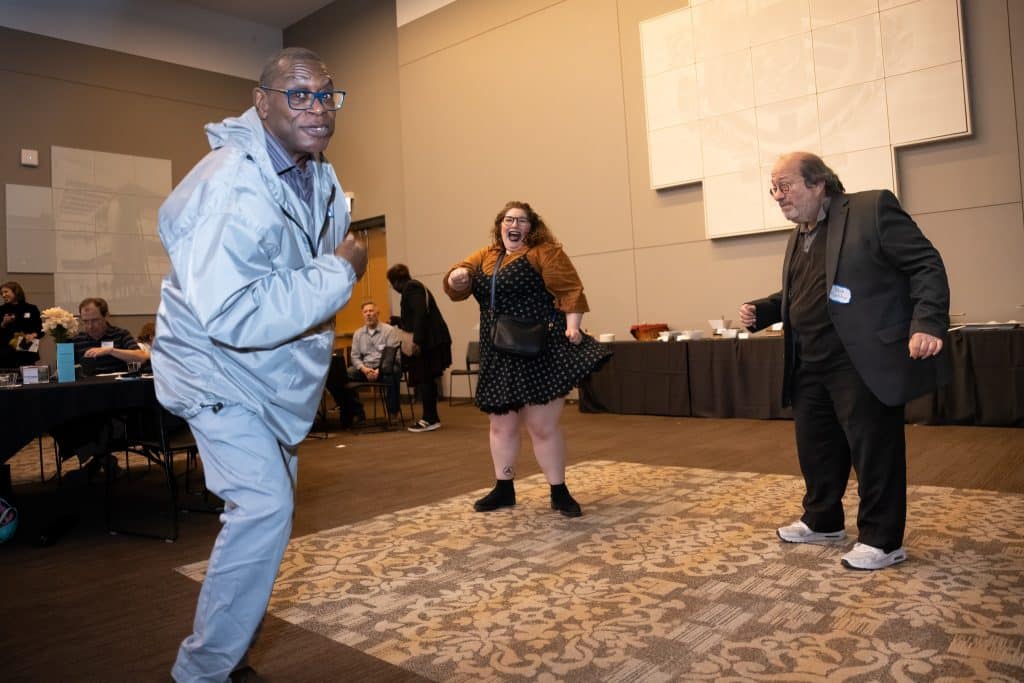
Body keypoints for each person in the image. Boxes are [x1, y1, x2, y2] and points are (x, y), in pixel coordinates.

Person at [150, 47, 367, 682]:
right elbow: (235, 314)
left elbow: (290, 275)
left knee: (265, 524)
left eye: (327, 94)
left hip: (274, 381)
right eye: (298, 94)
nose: (318, 108)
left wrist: (327, 271)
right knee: (264, 510)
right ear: (261, 101)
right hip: (215, 373)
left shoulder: (317, 173)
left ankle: (229, 651)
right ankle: (203, 672)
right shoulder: (225, 184)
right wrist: (341, 271)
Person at [739, 151, 950, 571]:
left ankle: (882, 539)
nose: (778, 196)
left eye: (785, 186)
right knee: (816, 448)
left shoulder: (871, 209)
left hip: (862, 359)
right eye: (773, 189)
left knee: (874, 450)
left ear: (818, 184)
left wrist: (927, 321)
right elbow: (805, 294)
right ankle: (823, 520)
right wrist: (765, 310)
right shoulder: (800, 234)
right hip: (811, 361)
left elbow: (925, 264)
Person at [444, 201, 610, 517]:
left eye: (521, 220)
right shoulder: (486, 254)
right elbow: (457, 278)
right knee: (501, 425)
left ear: (531, 228)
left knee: (541, 426)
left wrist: (573, 326)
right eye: (509, 219)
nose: (514, 224)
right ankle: (504, 488)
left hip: (540, 348)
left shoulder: (545, 252)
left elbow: (571, 290)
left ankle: (559, 491)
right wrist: (457, 278)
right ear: (500, 225)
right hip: (498, 351)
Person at [386, 263, 452, 432]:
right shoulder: (415, 287)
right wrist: (398, 320)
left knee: (425, 378)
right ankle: (431, 417)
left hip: (429, 342)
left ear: (395, 282)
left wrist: (417, 341)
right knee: (427, 378)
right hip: (432, 340)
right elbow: (416, 316)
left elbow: (420, 315)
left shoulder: (411, 288)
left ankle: (429, 419)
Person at [346, 301, 402, 417]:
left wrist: (380, 370)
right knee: (346, 374)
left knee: (394, 372)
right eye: (365, 312)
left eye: (371, 311)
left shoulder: (389, 330)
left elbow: (392, 357)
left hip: (385, 367)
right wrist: (364, 369)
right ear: (362, 315)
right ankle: (357, 412)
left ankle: (393, 412)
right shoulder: (358, 333)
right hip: (366, 368)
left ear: (377, 313)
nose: (368, 314)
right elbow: (355, 357)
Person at [72, 297, 148, 376]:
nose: (90, 326)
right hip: (88, 386)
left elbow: (141, 357)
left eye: (95, 320)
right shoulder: (77, 340)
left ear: (106, 316)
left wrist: (111, 351)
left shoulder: (120, 335)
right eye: (85, 321)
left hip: (118, 384)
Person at [0, 281, 43, 366]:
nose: (3, 295)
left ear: (16, 291)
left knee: (28, 378)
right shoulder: (1, 310)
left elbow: (41, 329)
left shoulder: (31, 308)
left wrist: (33, 335)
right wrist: (3, 324)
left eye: (6, 292)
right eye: (1, 293)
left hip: (26, 353)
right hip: (6, 355)